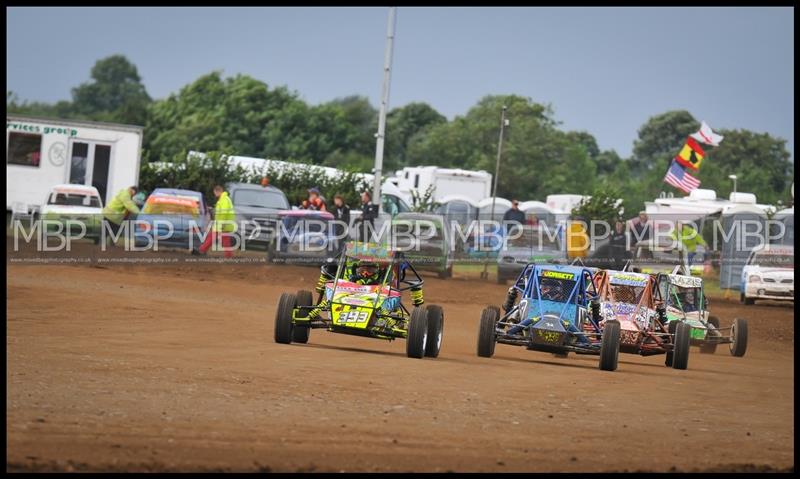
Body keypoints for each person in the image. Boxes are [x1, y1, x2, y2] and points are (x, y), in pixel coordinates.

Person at [198, 185, 236, 258]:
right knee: (216, 238)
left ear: (217, 191)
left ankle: (202, 250)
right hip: (223, 223)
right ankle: (202, 250)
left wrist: (222, 224)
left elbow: (224, 212)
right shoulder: (224, 199)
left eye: (214, 193)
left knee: (217, 238)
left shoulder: (224, 200)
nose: (215, 195)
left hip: (223, 224)